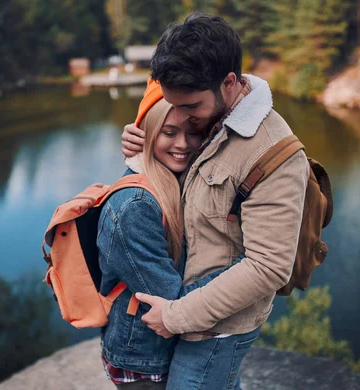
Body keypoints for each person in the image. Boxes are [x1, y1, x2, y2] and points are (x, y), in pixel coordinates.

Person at [122, 13, 310, 389]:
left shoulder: (274, 154)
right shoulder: (209, 114)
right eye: (172, 104)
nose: (180, 115)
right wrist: (141, 150)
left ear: (229, 83)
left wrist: (176, 316)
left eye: (189, 107)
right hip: (188, 312)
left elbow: (269, 267)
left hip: (216, 330)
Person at [98, 93, 237, 389]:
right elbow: (167, 296)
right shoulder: (135, 206)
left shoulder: (175, 177)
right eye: (169, 132)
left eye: (193, 133)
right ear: (146, 135)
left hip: (160, 348)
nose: (183, 144)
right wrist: (241, 273)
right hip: (144, 361)